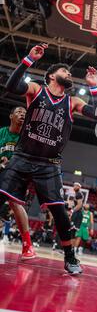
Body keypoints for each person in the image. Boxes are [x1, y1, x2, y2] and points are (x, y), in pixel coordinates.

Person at [0, 43, 97, 274]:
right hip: (22, 156)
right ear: (51, 76)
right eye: (64, 71)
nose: (69, 74)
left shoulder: (72, 102)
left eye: (69, 72)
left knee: (59, 213)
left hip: (49, 164)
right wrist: (28, 59)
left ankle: (70, 258)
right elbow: (11, 85)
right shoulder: (36, 90)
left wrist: (95, 88)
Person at [0, 106, 36, 259]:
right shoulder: (2, 132)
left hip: (16, 174)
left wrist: (12, 163)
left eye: (25, 113)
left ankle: (28, 246)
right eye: (19, 112)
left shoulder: (27, 136)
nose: (22, 114)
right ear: (11, 116)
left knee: (15, 204)